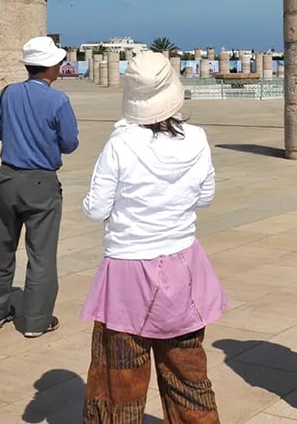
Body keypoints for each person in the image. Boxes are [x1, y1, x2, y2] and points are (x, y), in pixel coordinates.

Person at [80, 51, 227, 423]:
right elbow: (206, 197)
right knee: (188, 372)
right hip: (182, 264)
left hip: (128, 269)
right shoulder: (196, 138)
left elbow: (96, 208)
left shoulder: (120, 144)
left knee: (120, 378)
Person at [0, 36, 79, 337]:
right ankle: (36, 321)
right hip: (41, 182)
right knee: (41, 254)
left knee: (4, 246)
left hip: (8, 179)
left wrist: (9, 132)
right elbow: (69, 143)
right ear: (50, 67)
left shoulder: (9, 93)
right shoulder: (58, 100)